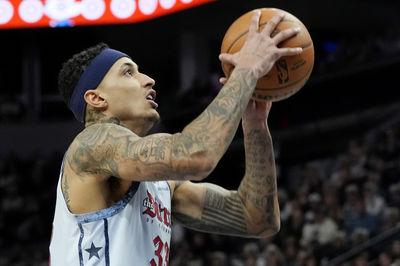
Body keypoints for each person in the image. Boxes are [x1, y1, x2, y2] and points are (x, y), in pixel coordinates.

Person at [49, 11, 303, 265]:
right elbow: (197, 156)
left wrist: (255, 126)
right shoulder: (91, 145)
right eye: (128, 73)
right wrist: (245, 71)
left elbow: (258, 219)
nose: (149, 80)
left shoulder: (163, 186)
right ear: (97, 98)